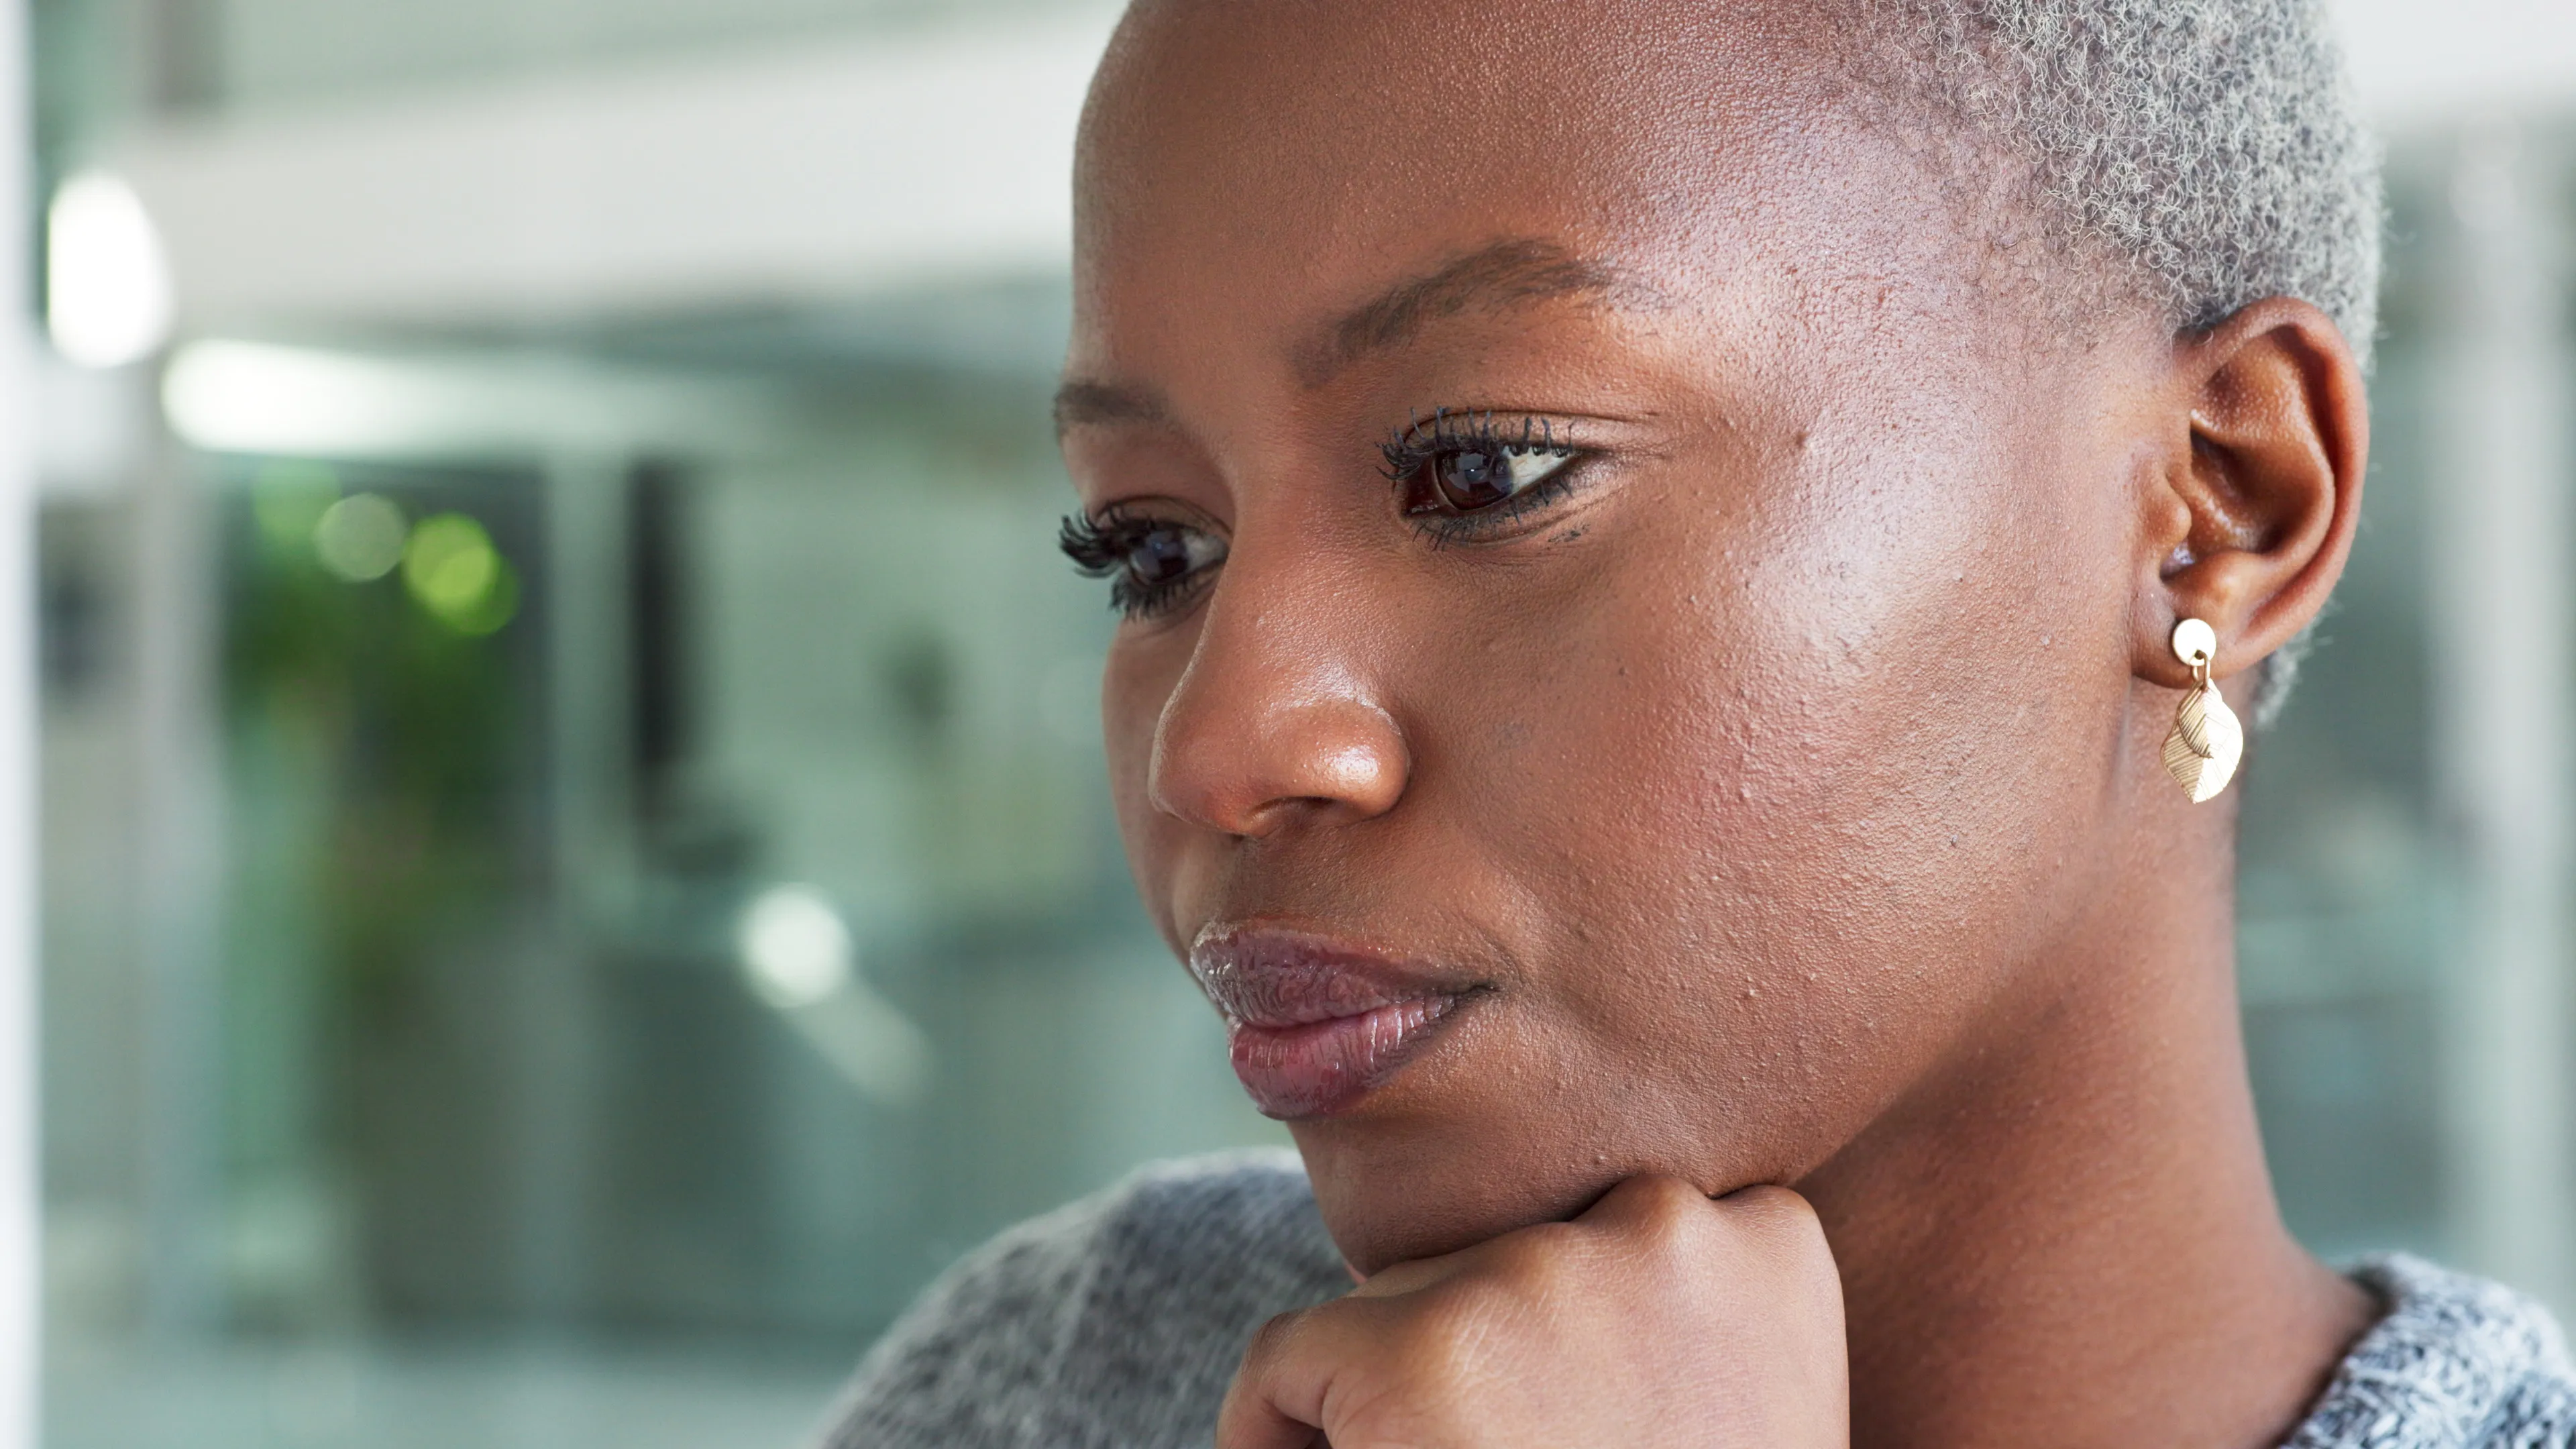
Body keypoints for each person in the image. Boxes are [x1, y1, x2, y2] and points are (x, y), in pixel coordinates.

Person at [826, 0, 2576, 1444]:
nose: (1216, 750)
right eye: (1152, 548)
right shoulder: (1074, 1378)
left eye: (1486, 471)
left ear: (2217, 508)